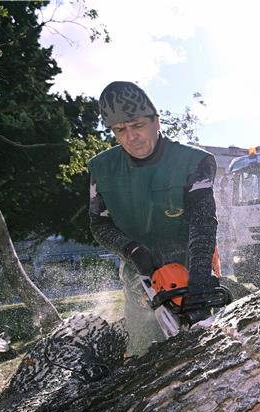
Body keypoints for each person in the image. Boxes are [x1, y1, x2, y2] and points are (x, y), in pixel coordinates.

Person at [88, 81, 218, 356]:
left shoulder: (194, 162)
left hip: (191, 265)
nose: (130, 137)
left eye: (137, 126)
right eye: (120, 130)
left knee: (206, 351)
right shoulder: (102, 168)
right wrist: (132, 251)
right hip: (140, 275)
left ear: (156, 122)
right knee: (142, 353)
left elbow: (203, 222)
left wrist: (197, 286)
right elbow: (99, 223)